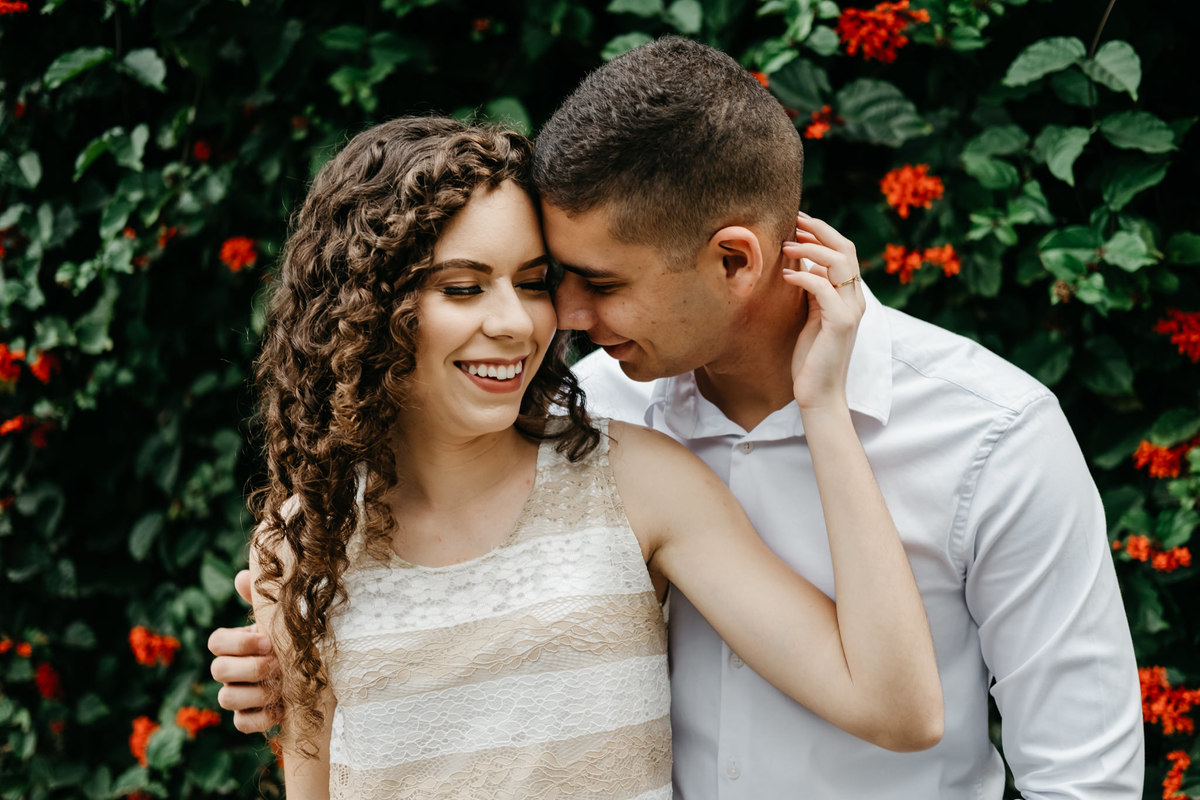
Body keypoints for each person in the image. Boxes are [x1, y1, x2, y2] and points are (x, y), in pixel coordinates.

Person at [212, 38, 1144, 798]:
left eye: (588, 286)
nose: (557, 322)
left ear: (735, 261)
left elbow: (1079, 777)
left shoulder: (994, 436)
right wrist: (300, 666)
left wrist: (825, 409)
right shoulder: (594, 412)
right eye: (551, 280)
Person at [241, 114, 941, 800]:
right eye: (463, 287)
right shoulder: (305, 540)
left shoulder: (636, 483)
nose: (517, 323)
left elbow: (898, 711)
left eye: (535, 281)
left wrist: (822, 406)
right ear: (361, 308)